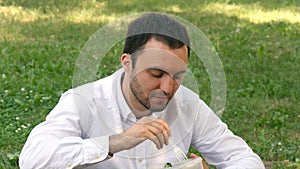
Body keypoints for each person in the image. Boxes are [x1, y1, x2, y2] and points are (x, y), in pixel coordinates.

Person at [19, 13, 265, 169]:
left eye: (178, 76)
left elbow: (244, 159)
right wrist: (117, 142)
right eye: (156, 74)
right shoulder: (82, 102)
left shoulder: (189, 106)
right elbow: (32, 159)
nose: (168, 88)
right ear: (127, 62)